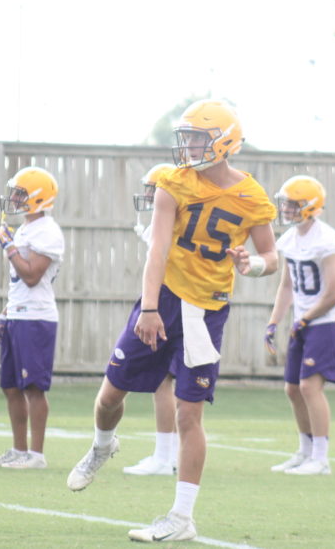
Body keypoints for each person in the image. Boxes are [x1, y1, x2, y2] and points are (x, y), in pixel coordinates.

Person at [66, 99, 277, 543]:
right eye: (188, 138)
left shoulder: (251, 195)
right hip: (163, 296)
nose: (190, 147)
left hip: (208, 310)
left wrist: (250, 264)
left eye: (199, 138)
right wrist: (148, 307)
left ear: (225, 142)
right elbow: (157, 250)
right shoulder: (172, 182)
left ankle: (181, 518)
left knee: (189, 415)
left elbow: (271, 258)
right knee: (109, 396)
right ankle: (103, 447)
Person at [0, 167, 65, 470]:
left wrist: (9, 247)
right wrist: (6, 312)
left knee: (33, 387)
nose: (14, 199)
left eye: (20, 194)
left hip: (37, 318)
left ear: (37, 197)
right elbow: (19, 284)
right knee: (11, 386)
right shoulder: (26, 229)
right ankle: (19, 451)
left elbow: (31, 275)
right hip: (19, 314)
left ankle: (37, 454)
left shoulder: (48, 231)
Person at [265, 175, 335, 476]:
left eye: (293, 204)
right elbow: (286, 287)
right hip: (304, 322)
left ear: (311, 206)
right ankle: (305, 450)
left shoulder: (327, 240)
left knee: (310, 387)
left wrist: (306, 318)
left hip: (324, 323)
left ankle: (321, 458)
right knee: (292, 389)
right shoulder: (290, 239)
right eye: (285, 202)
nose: (286, 208)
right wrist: (274, 322)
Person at [123, 162, 181, 476]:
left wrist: (151, 308)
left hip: (173, 305)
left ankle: (165, 456)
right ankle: (168, 455)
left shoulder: (169, 226)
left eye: (152, 189)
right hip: (179, 305)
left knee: (167, 382)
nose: (147, 195)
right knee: (169, 383)